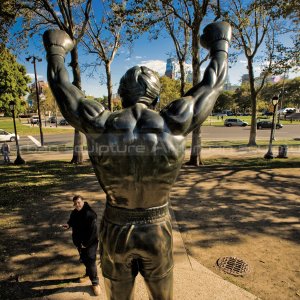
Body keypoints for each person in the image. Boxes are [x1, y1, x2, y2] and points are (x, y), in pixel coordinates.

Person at [44, 21, 231, 300]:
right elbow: (213, 83)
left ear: (121, 96)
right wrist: (220, 45)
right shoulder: (175, 121)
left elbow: (61, 86)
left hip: (116, 228)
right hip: (157, 228)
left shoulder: (101, 123)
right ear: (156, 97)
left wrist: (56, 48)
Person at [62, 195, 100, 296]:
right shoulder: (75, 212)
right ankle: (88, 275)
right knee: (84, 259)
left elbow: (93, 232)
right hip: (80, 243)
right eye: (75, 203)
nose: (77, 205)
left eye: (78, 202)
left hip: (90, 243)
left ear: (83, 201)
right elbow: (71, 221)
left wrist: (85, 244)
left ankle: (95, 283)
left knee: (91, 261)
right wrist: (68, 225)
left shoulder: (90, 214)